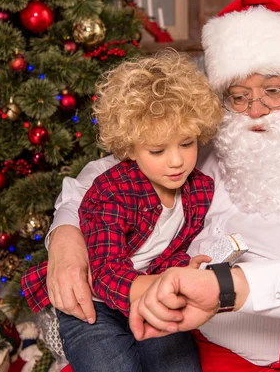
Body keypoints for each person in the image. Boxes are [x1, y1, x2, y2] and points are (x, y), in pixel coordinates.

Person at [43, 0, 280, 371]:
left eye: (274, 90)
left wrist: (228, 286)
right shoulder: (207, 146)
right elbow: (107, 174)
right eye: (239, 96)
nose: (255, 110)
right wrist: (66, 235)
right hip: (185, 346)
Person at [21, 50, 223, 371]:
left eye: (186, 143)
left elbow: (172, 252)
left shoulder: (199, 189)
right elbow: (104, 272)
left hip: (151, 293)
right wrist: (165, 287)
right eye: (157, 150)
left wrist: (187, 271)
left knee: (181, 365)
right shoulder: (112, 190)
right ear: (129, 147)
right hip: (94, 303)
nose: (176, 161)